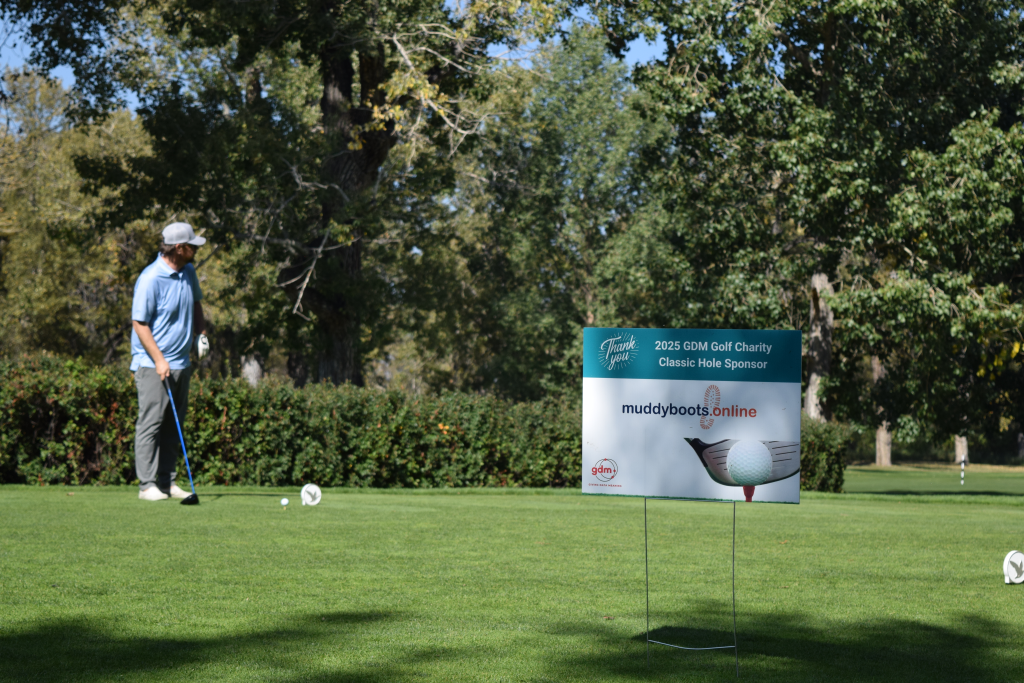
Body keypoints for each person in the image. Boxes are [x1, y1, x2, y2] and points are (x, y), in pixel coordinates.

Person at [130, 222, 209, 501]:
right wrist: (159, 360)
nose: (196, 249)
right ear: (179, 248)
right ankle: (147, 486)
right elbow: (140, 324)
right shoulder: (150, 278)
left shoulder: (188, 272)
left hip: (181, 363)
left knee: (173, 426)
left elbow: (196, 303)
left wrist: (201, 333)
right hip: (153, 365)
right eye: (192, 246)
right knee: (150, 424)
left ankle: (167, 482)